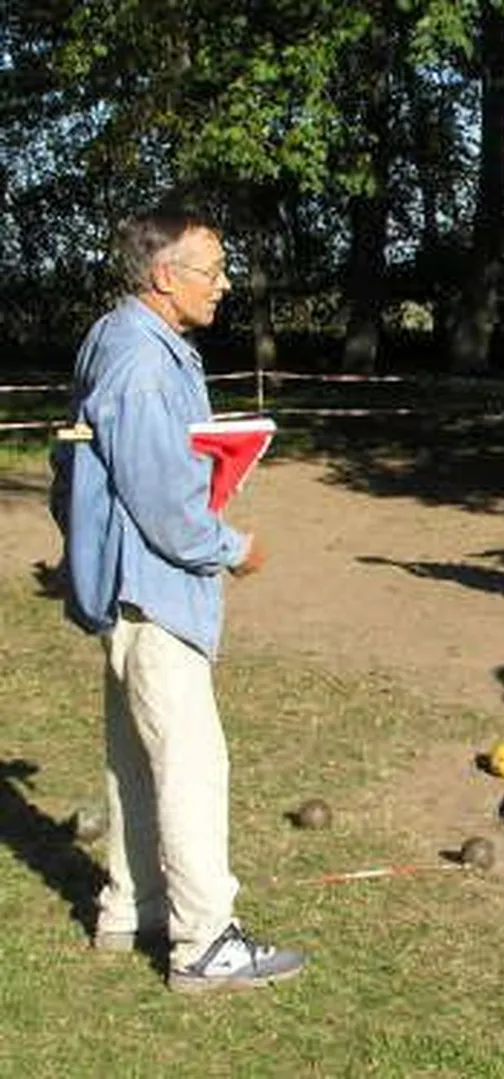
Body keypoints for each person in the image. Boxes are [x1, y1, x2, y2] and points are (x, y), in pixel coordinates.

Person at [49, 206, 305, 992]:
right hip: (151, 591)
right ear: (165, 275)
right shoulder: (141, 359)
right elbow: (161, 494)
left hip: (131, 586)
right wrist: (232, 546)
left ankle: (132, 906)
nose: (222, 285)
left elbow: (97, 466)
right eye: (211, 270)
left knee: (135, 760)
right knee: (192, 762)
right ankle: (204, 942)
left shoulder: (127, 342)